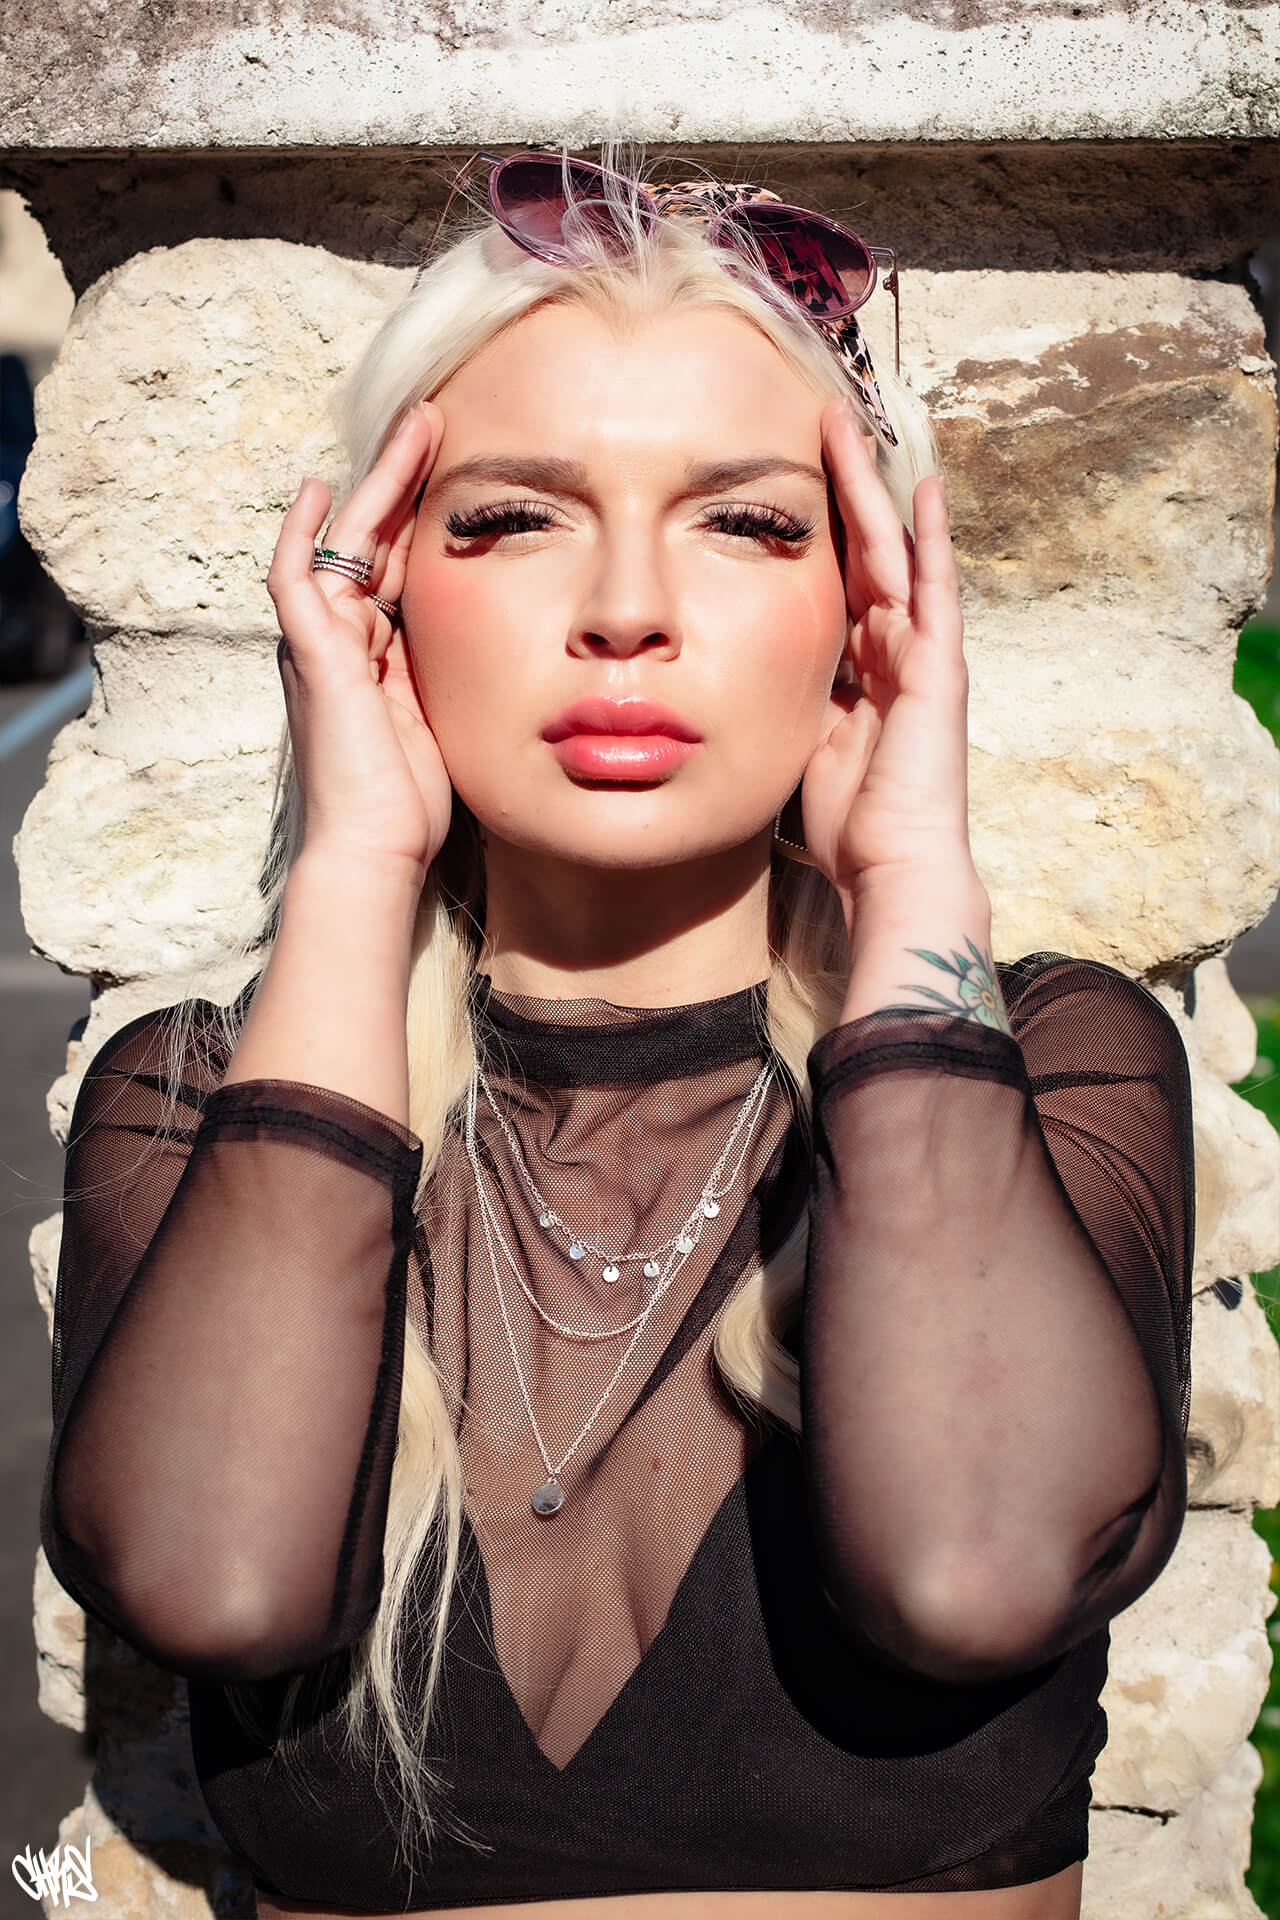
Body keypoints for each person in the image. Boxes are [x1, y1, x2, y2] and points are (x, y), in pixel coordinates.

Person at [39, 141, 1195, 1919]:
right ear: (380, 592)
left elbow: (974, 1569)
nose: (629, 612)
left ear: (864, 607)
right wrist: (352, 862)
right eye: (514, 518)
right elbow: (217, 1586)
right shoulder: (196, 1106)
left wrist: (911, 876)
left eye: (748, 522)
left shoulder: (1045, 1075)